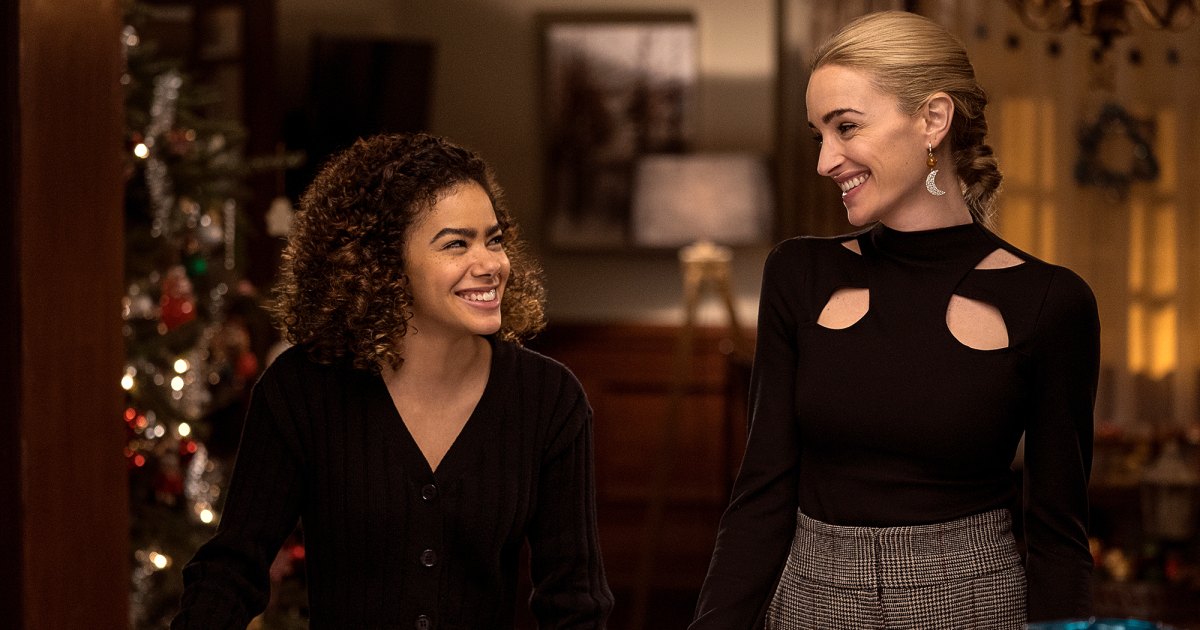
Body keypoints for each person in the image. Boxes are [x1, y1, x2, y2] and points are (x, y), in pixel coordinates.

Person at [691, 11, 1098, 629]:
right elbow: (760, 497)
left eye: (846, 127)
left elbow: (1058, 539)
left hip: (973, 608)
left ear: (933, 120)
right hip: (809, 606)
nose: (826, 160)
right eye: (818, 135)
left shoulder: (1050, 301)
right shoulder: (799, 274)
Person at [172, 132, 614, 629]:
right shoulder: (301, 389)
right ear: (382, 263)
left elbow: (574, 605)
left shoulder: (549, 398)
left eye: (493, 239)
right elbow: (232, 571)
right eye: (456, 244)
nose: (491, 264)